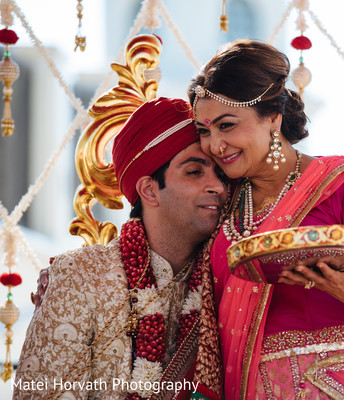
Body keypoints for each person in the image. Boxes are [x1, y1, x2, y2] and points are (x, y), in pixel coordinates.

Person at [187, 40, 344, 399]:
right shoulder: (224, 203)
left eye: (227, 125)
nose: (215, 145)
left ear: (273, 117)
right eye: (204, 131)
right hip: (260, 388)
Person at [13, 97, 226, 400]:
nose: (217, 186)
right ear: (149, 190)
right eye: (194, 172)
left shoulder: (228, 277)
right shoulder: (82, 277)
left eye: (220, 173)